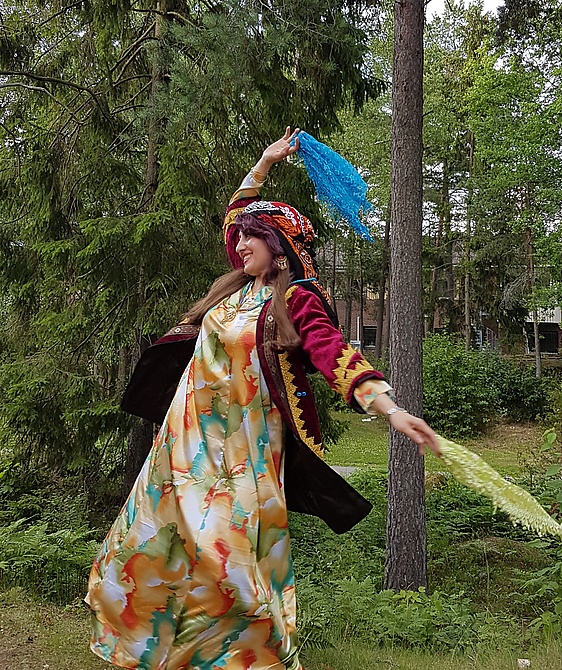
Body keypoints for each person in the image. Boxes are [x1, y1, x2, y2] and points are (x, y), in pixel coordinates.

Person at [86, 128, 440, 670]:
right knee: (158, 544)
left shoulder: (295, 299)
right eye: (243, 237)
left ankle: (250, 657)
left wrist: (387, 406)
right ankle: (158, 649)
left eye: (253, 237)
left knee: (229, 557)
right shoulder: (237, 286)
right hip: (185, 443)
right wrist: (266, 162)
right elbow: (235, 213)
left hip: (245, 453)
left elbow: (333, 352)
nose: (240, 243)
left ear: (278, 248)